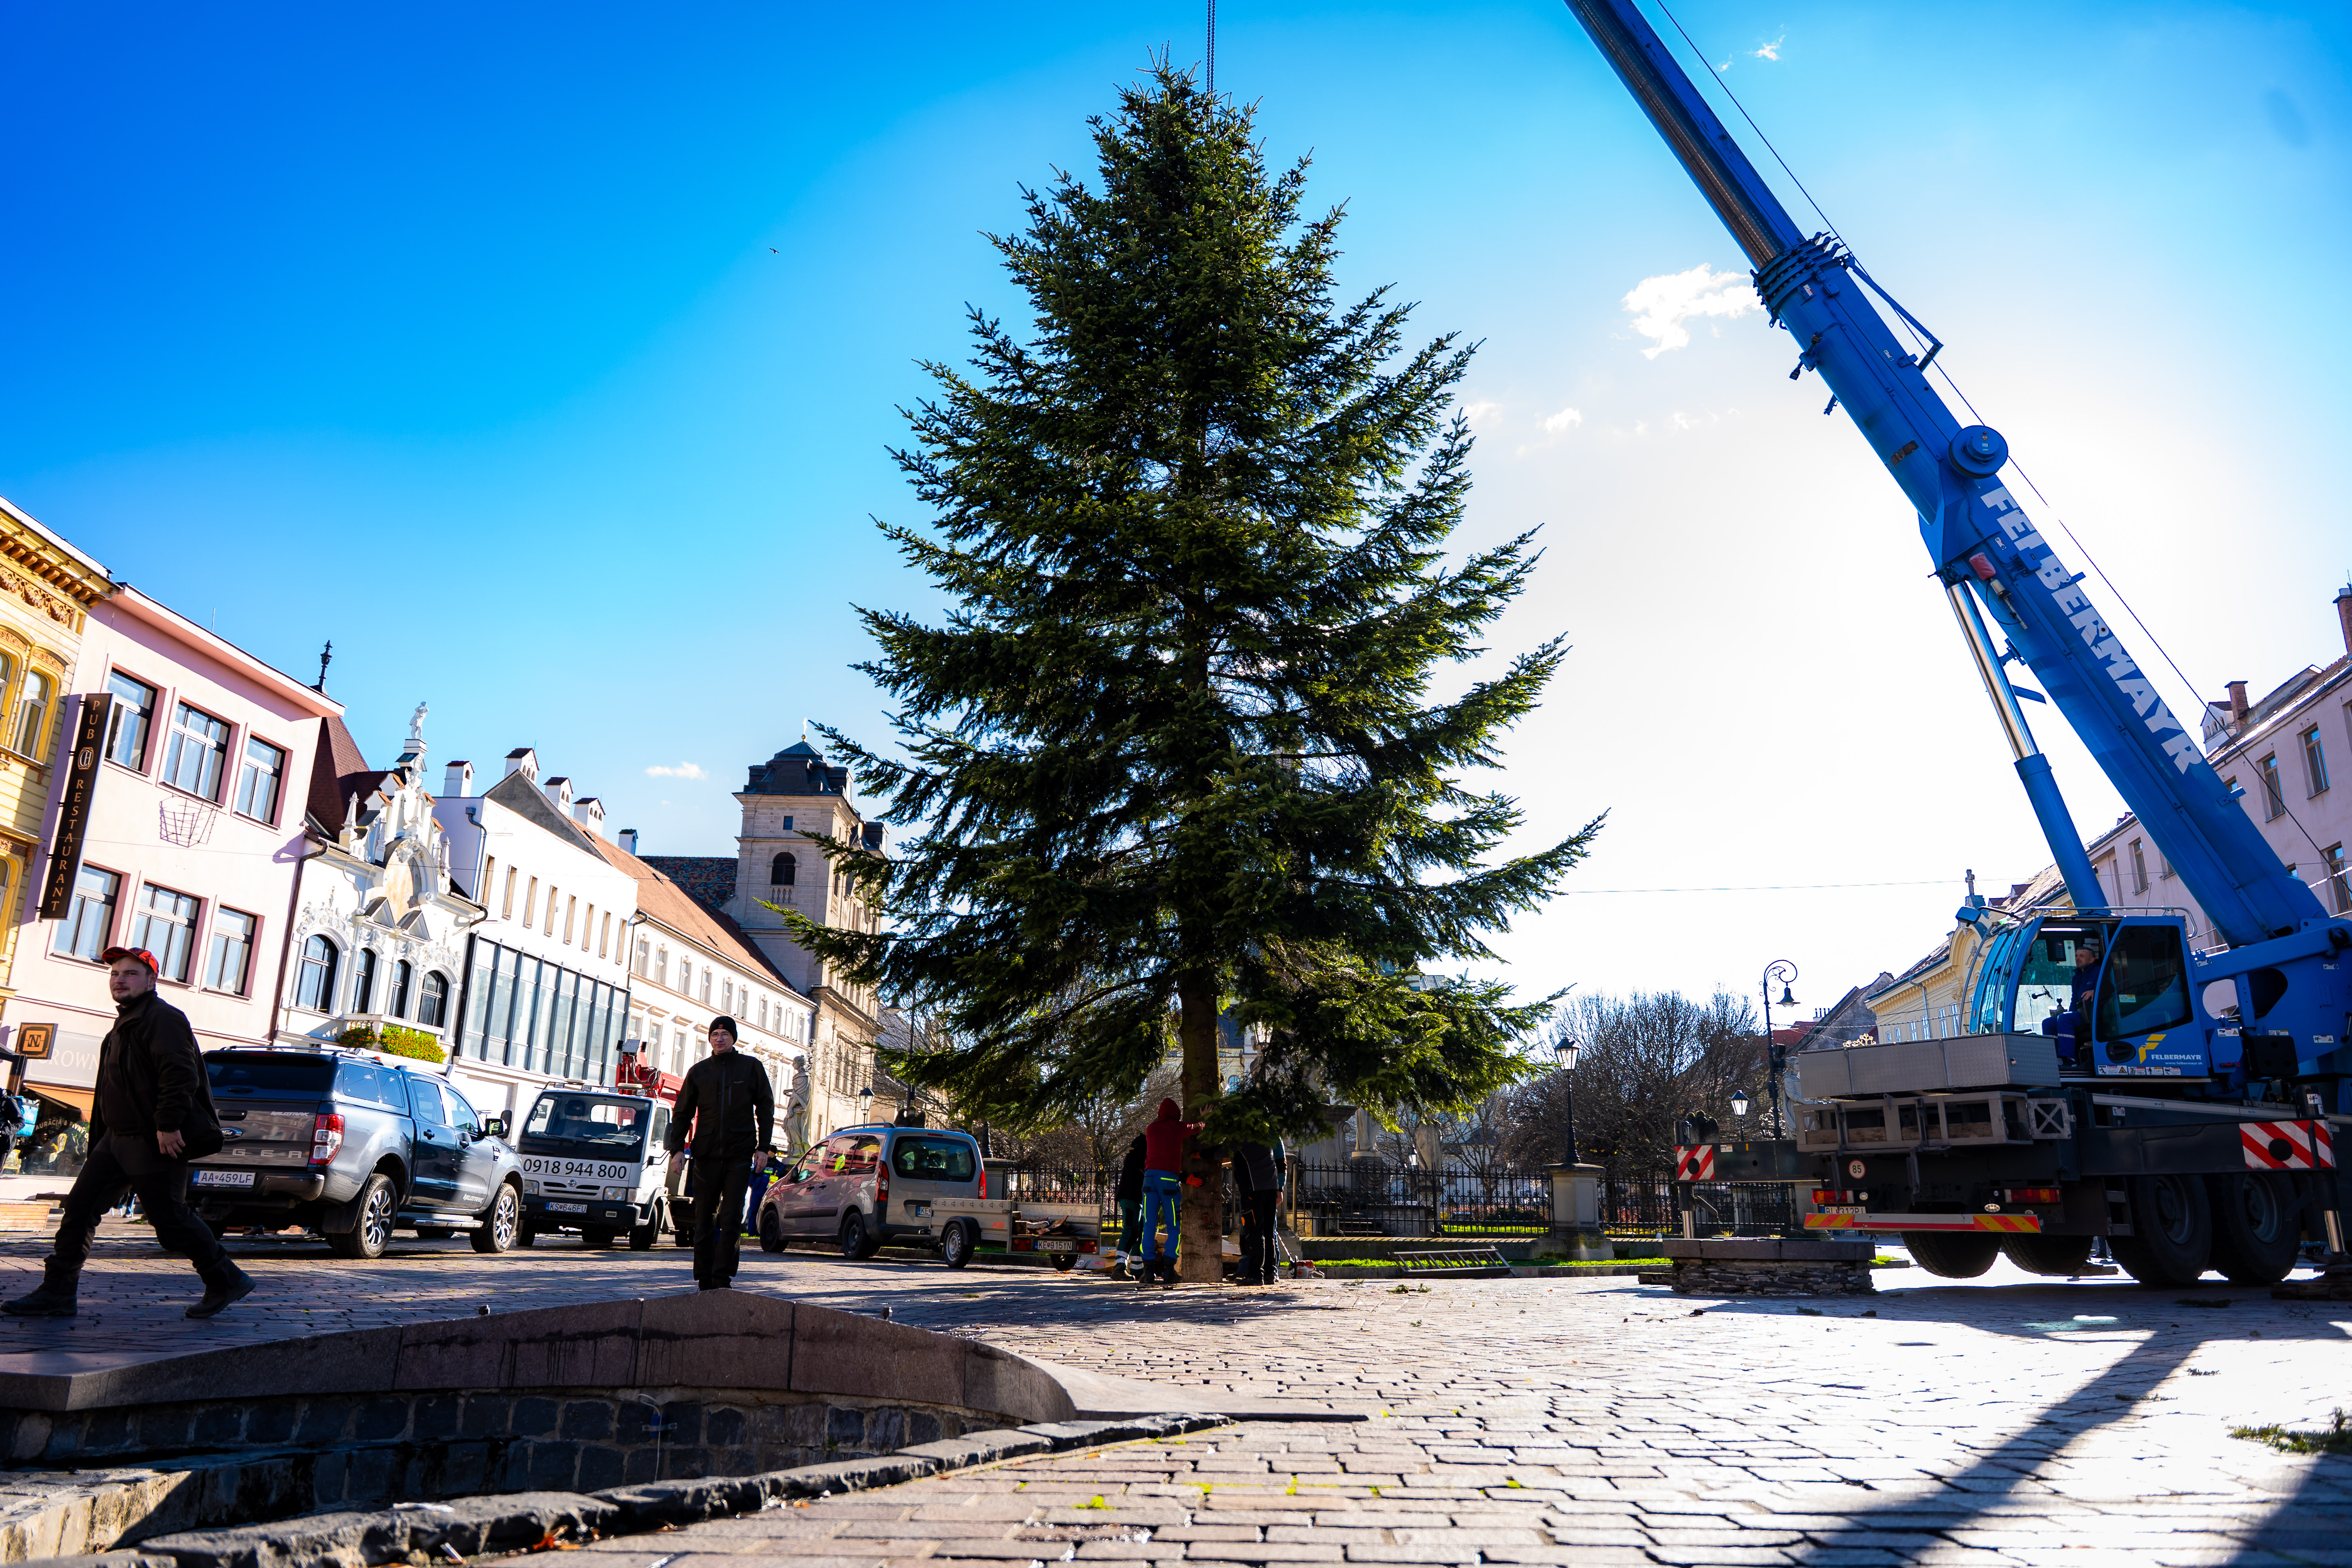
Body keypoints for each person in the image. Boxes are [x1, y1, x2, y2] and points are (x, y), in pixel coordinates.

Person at [3, 947, 250, 1320]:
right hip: (116, 1141)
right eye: (115, 974)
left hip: (151, 1140)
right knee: (79, 1211)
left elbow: (179, 1074)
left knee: (171, 1220)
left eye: (131, 974)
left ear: (151, 981)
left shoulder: (163, 1018)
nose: (120, 980)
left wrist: (168, 1125)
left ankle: (226, 1279)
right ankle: (57, 1292)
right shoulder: (124, 1024)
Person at [666, 1016, 774, 1290]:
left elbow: (766, 1109)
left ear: (734, 1038)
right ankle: (705, 1278)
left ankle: (722, 1277)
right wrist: (677, 1150)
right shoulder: (699, 1072)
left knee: (732, 1217)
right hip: (706, 1154)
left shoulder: (751, 1067)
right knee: (704, 1217)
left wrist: (763, 1148)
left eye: (725, 1034)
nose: (720, 1038)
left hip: (740, 1153)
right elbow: (682, 1113)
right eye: (715, 1034)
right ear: (710, 1039)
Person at [1137, 1098, 1202, 1287]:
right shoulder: (1177, 1128)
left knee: (1149, 1225)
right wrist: (1205, 1118)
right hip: (1169, 1180)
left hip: (1149, 1179)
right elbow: (1198, 1127)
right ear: (1177, 1114)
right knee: (1174, 1226)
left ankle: (1148, 1272)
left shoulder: (1151, 1128)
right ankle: (1169, 1270)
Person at [1232, 1138, 1281, 1286]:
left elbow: (1222, 1151)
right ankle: (1270, 1274)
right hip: (1271, 1188)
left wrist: (1201, 1154)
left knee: (1254, 1233)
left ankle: (1255, 1275)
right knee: (1269, 1233)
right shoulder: (1267, 1137)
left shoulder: (1242, 1137)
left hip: (1253, 1190)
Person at [1112, 1132, 1146, 1278]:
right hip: (1132, 1198)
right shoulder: (1141, 1154)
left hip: (1132, 1198)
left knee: (1138, 1232)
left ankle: (1137, 1269)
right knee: (1131, 1231)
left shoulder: (1134, 1153)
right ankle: (1120, 1268)